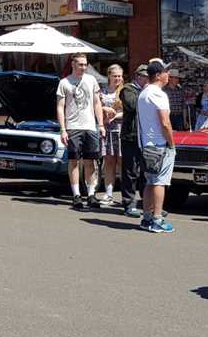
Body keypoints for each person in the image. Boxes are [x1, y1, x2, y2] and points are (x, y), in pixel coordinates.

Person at [57, 53, 105, 210]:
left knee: (91, 162)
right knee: (74, 161)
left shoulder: (91, 80)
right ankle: (76, 195)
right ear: (73, 64)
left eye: (85, 64)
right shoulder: (64, 83)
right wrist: (63, 129)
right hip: (73, 127)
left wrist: (101, 124)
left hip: (90, 126)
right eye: (81, 64)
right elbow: (60, 107)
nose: (84, 67)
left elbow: (97, 103)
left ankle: (91, 195)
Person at [137, 60, 176, 233]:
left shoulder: (144, 92)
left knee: (150, 182)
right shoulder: (159, 94)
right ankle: (157, 219)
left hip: (146, 144)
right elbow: (165, 122)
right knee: (160, 182)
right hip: (160, 144)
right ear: (158, 75)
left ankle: (146, 218)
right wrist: (172, 143)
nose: (168, 74)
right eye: (166, 72)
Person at [120, 64, 148, 217]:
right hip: (130, 136)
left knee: (145, 172)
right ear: (138, 76)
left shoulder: (147, 91)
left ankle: (147, 204)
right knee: (130, 172)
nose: (148, 80)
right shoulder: (128, 89)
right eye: (145, 76)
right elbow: (132, 105)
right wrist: (146, 93)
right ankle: (128, 203)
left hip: (144, 137)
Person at [99, 64, 124, 207]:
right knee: (108, 163)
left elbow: (128, 110)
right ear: (109, 76)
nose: (118, 78)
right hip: (106, 131)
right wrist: (104, 108)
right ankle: (108, 194)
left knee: (122, 163)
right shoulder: (102, 91)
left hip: (120, 129)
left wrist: (115, 116)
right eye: (115, 76)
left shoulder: (124, 91)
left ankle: (124, 195)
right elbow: (96, 106)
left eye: (120, 76)